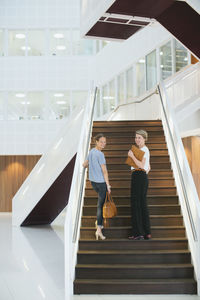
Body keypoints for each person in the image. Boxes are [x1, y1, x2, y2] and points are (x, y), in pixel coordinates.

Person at [83, 133, 111, 240]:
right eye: (101, 142)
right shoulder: (100, 154)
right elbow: (104, 171)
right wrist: (108, 185)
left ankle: (99, 224)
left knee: (100, 203)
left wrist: (91, 165)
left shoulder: (91, 152)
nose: (103, 144)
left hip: (93, 182)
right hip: (101, 183)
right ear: (96, 142)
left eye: (105, 142)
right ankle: (99, 229)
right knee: (100, 206)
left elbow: (84, 164)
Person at [128, 129, 151, 240]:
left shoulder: (143, 150)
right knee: (142, 204)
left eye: (139, 138)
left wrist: (132, 156)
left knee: (137, 204)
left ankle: (138, 233)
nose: (137, 139)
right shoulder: (143, 150)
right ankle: (146, 232)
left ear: (144, 139)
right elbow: (148, 167)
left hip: (138, 176)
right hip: (141, 177)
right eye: (136, 137)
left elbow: (141, 165)